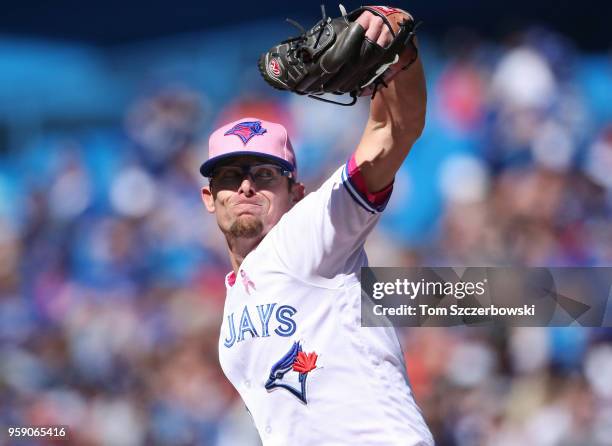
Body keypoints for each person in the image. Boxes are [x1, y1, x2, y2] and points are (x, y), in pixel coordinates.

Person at [200, 6, 433, 445]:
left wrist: (398, 40)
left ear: (297, 194)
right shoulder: (236, 294)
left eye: (265, 176)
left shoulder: (306, 236)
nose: (247, 186)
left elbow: (393, 132)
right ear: (210, 198)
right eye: (230, 177)